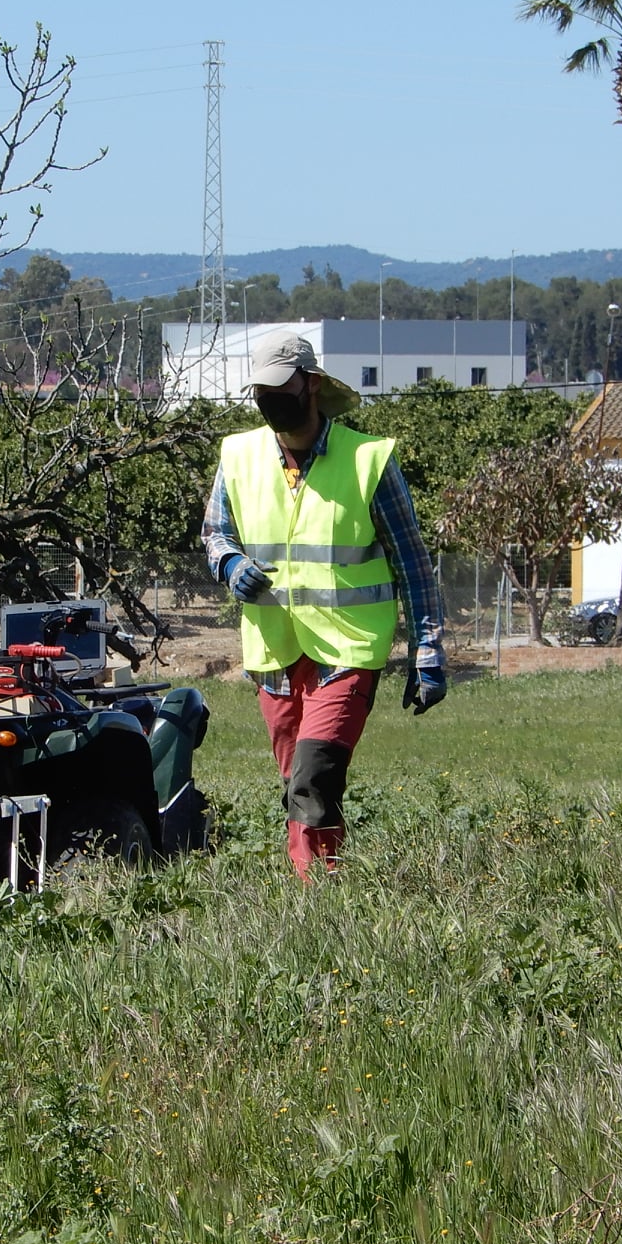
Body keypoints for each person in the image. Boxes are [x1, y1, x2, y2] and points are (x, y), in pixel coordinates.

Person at [202, 332, 446, 880]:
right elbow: (215, 533)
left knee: (314, 774)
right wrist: (229, 564)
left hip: (349, 645)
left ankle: (315, 894)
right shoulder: (237, 456)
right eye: (259, 392)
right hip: (275, 649)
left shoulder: (368, 460)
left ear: (311, 384)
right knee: (300, 786)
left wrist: (427, 650)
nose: (269, 402)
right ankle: (323, 882)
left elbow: (412, 562)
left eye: (280, 388)